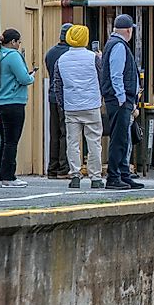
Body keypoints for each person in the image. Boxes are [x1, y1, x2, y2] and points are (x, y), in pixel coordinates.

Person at [53, 25, 104, 189]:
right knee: (94, 142)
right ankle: (95, 177)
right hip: (91, 105)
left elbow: (58, 85)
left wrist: (62, 104)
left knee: (72, 142)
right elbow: (102, 79)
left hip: (71, 106)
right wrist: (100, 98)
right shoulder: (93, 58)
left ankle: (75, 176)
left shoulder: (61, 60)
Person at [99, 14, 144, 190]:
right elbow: (116, 74)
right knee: (118, 139)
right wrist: (122, 98)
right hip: (119, 100)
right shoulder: (118, 46)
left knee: (124, 138)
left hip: (120, 99)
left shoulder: (114, 44)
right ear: (128, 30)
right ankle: (114, 177)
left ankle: (124, 175)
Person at [0, 29, 35, 187]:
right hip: (14, 102)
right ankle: (9, 177)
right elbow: (24, 78)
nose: (19, 45)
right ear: (13, 42)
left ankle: (4, 175)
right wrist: (32, 76)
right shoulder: (13, 55)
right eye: (19, 42)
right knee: (12, 141)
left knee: (5, 140)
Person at [44, 23, 72, 179]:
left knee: (54, 133)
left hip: (52, 96)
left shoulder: (50, 53)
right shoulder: (70, 53)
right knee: (65, 133)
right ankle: (63, 168)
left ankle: (52, 168)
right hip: (66, 97)